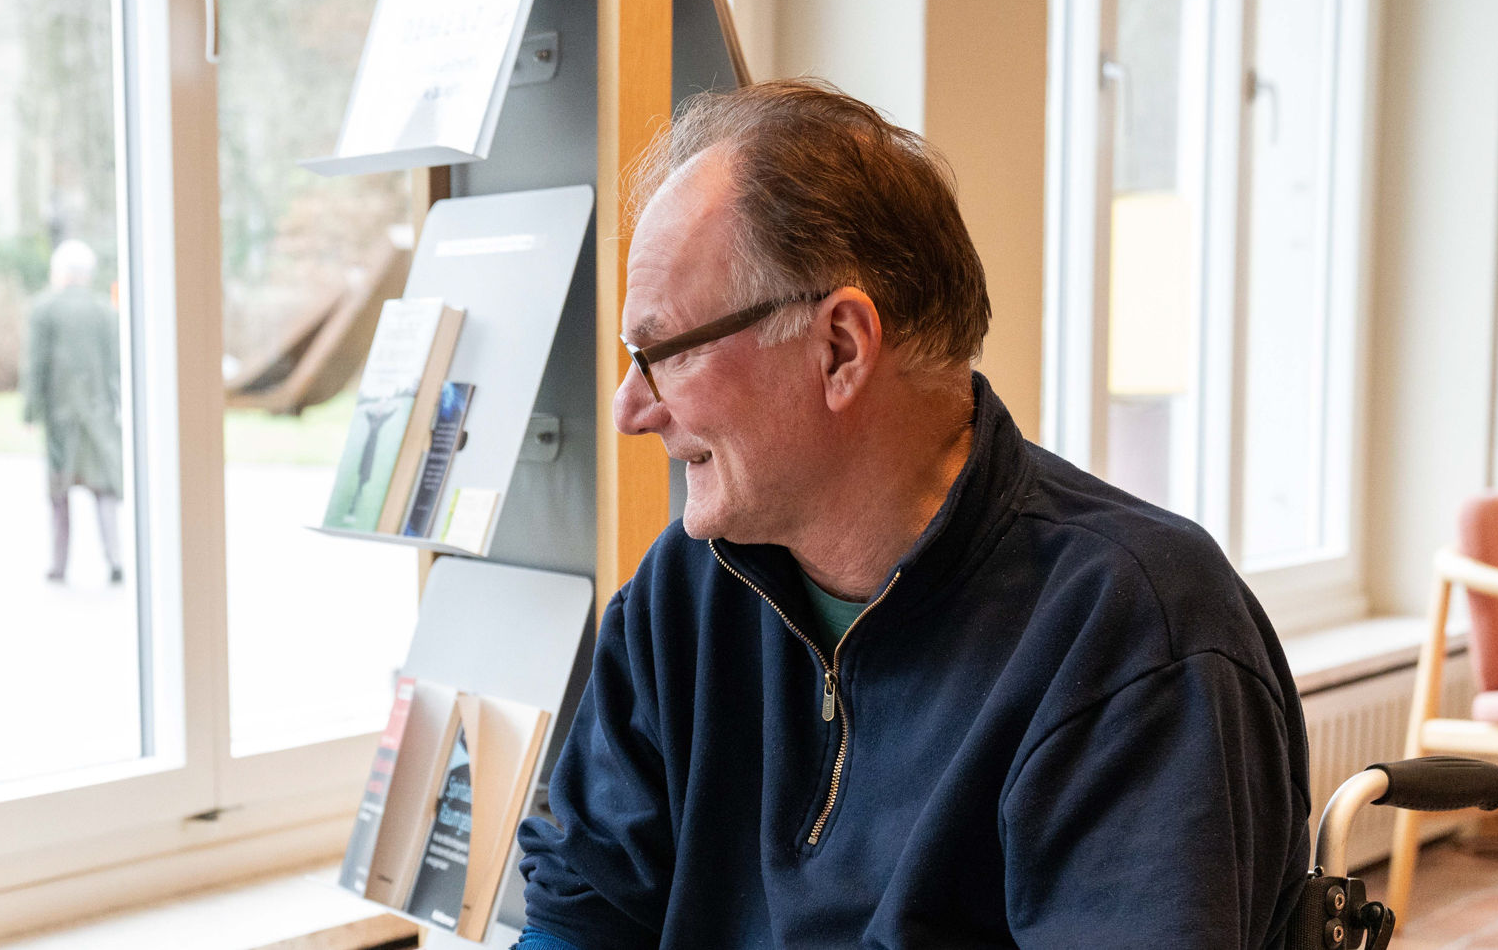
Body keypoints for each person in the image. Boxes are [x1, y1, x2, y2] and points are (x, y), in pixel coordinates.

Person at [514, 80, 1309, 948]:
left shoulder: (1136, 632)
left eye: (663, 352)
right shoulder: (683, 593)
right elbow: (579, 918)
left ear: (840, 347)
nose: (631, 409)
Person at [25, 238, 127, 584]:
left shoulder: (45, 310)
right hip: (99, 415)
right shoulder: (104, 312)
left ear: (61, 273)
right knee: (104, 489)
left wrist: (30, 412)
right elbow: (116, 366)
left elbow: (35, 364)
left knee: (59, 493)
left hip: (61, 416)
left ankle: (59, 564)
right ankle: (115, 557)